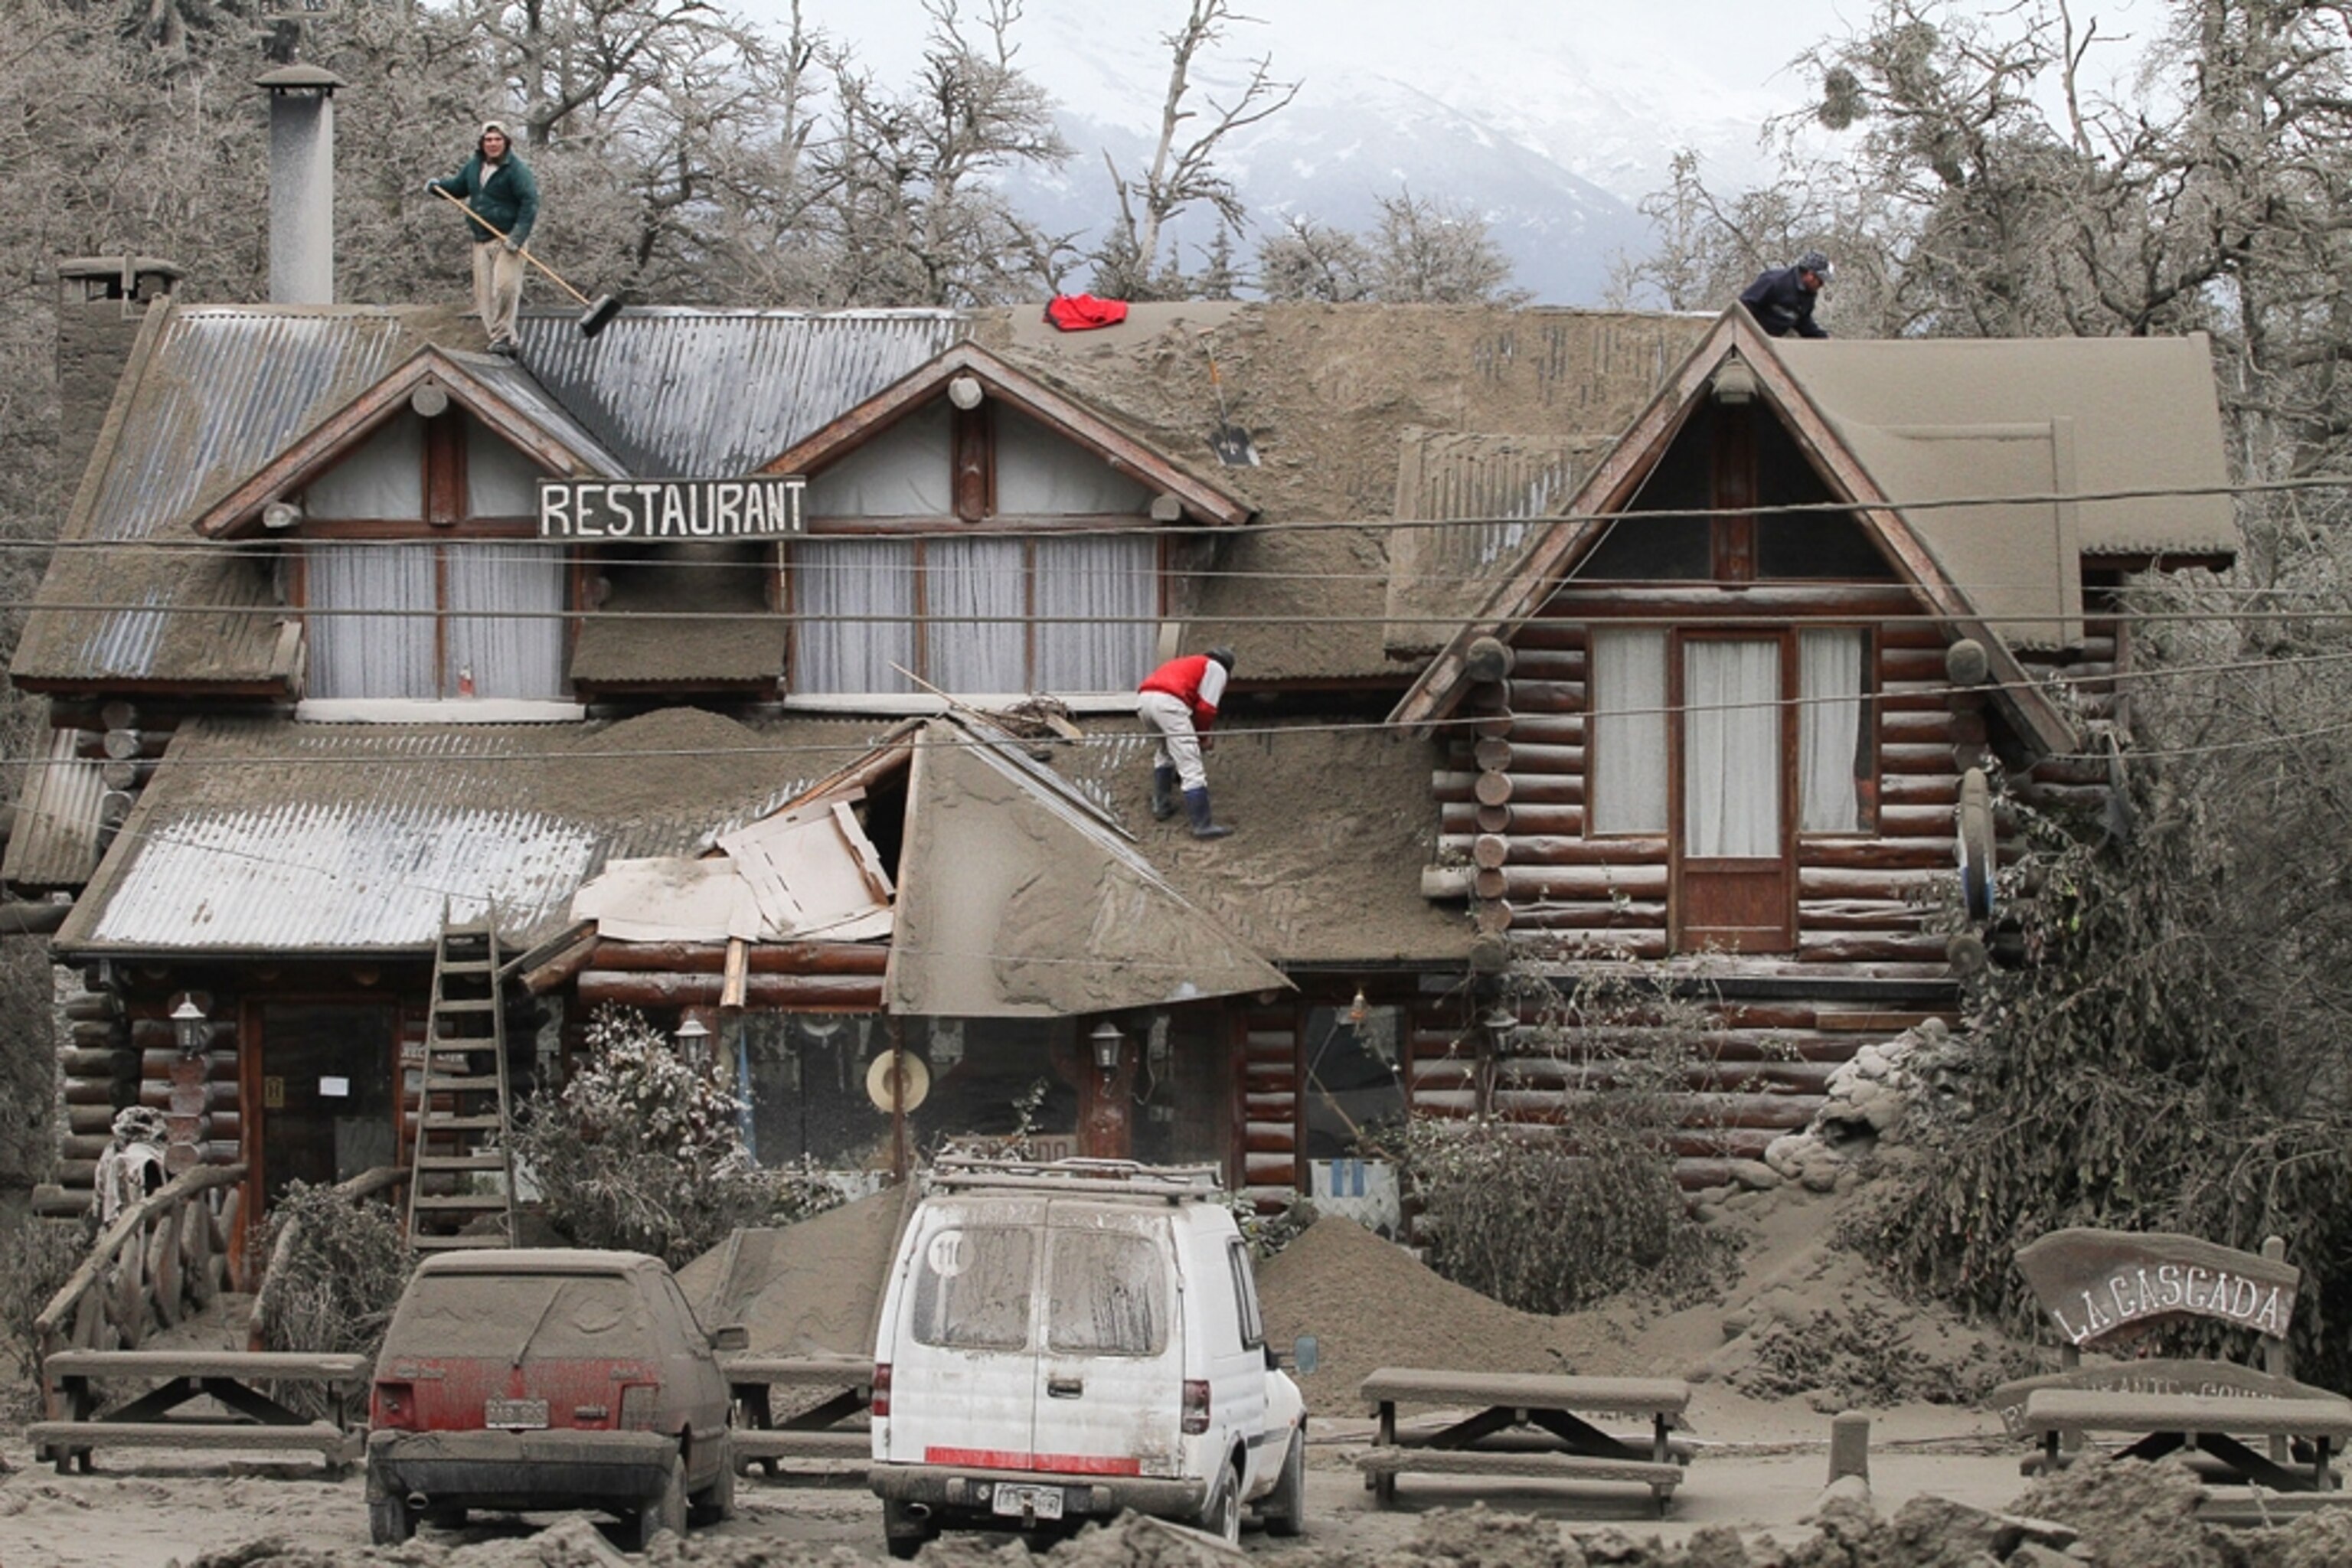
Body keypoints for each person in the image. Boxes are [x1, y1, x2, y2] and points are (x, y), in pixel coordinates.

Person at [426, 122, 540, 356]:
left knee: (505, 287)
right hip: (481, 239)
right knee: (485, 294)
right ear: (482, 143)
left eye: (497, 139)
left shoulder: (516, 170)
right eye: (488, 140)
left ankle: (505, 336)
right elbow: (458, 188)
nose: (493, 144)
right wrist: (437, 187)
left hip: (507, 240)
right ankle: (499, 339)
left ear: (506, 142)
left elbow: (530, 204)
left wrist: (517, 237)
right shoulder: (474, 166)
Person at [1138, 647, 1236, 840]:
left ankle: (1161, 805)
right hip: (1169, 703)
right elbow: (1206, 708)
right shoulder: (1216, 668)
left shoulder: (1188, 662)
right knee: (1191, 764)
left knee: (1165, 751)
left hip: (1144, 701)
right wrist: (1202, 737)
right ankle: (1203, 825)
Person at [1739, 250, 1832, 338]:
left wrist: (1825, 340)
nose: (1821, 285)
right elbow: (1743, 307)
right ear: (1810, 275)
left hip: (1773, 341)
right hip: (1748, 336)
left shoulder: (1809, 295)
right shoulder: (1774, 281)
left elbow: (1804, 323)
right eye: (1820, 281)